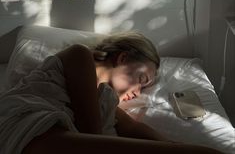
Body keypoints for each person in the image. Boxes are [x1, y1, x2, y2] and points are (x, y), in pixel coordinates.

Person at [0, 31, 221, 154]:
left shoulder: (104, 101)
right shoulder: (79, 56)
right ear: (123, 58)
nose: (137, 92)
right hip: (26, 125)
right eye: (141, 80)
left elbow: (133, 127)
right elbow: (91, 134)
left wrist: (176, 145)